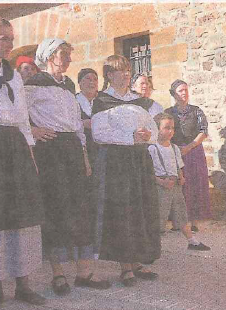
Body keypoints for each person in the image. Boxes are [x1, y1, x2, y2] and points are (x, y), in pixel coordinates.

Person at [25, 38, 111, 296]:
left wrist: (84, 155)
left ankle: (84, 272)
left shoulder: (68, 86)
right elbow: (17, 116)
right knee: (56, 208)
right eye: (64, 54)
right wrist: (33, 130)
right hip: (50, 151)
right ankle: (58, 274)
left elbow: (76, 123)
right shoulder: (33, 85)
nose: (69, 59)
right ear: (50, 56)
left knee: (80, 208)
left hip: (73, 149)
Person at [0, 15, 46, 307]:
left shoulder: (14, 77)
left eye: (11, 38)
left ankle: (23, 282)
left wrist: (30, 155)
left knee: (21, 214)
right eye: (3, 39)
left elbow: (22, 119)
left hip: (15, 147)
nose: (9, 44)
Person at [91, 55, 161, 287]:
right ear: (109, 74)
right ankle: (125, 266)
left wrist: (147, 135)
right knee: (122, 212)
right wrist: (129, 137)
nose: (126, 75)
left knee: (141, 209)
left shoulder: (140, 101)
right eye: (120, 71)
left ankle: (137, 261)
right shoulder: (102, 101)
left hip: (139, 161)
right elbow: (99, 134)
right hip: (117, 163)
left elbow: (153, 129)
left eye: (128, 70)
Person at [148, 113, 211, 251]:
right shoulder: (152, 149)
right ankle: (153, 244)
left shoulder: (174, 148)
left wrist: (181, 177)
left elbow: (178, 165)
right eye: (166, 128)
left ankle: (192, 241)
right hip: (160, 186)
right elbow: (148, 172)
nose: (170, 131)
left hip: (174, 185)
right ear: (156, 129)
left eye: (172, 128)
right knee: (159, 215)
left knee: (181, 212)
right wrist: (161, 182)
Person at [165, 80, 212, 232]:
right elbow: (164, 131)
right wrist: (175, 148)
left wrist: (190, 147)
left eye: (185, 90)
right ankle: (176, 221)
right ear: (173, 94)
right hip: (173, 151)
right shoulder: (168, 113)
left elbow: (203, 131)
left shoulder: (196, 111)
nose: (184, 93)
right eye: (180, 91)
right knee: (177, 185)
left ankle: (194, 221)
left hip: (194, 152)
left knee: (195, 184)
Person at [75, 68, 100, 255]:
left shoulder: (101, 102)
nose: (92, 82)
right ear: (80, 82)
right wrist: (83, 123)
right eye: (87, 79)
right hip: (82, 152)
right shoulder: (75, 101)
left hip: (101, 152)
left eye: (94, 79)